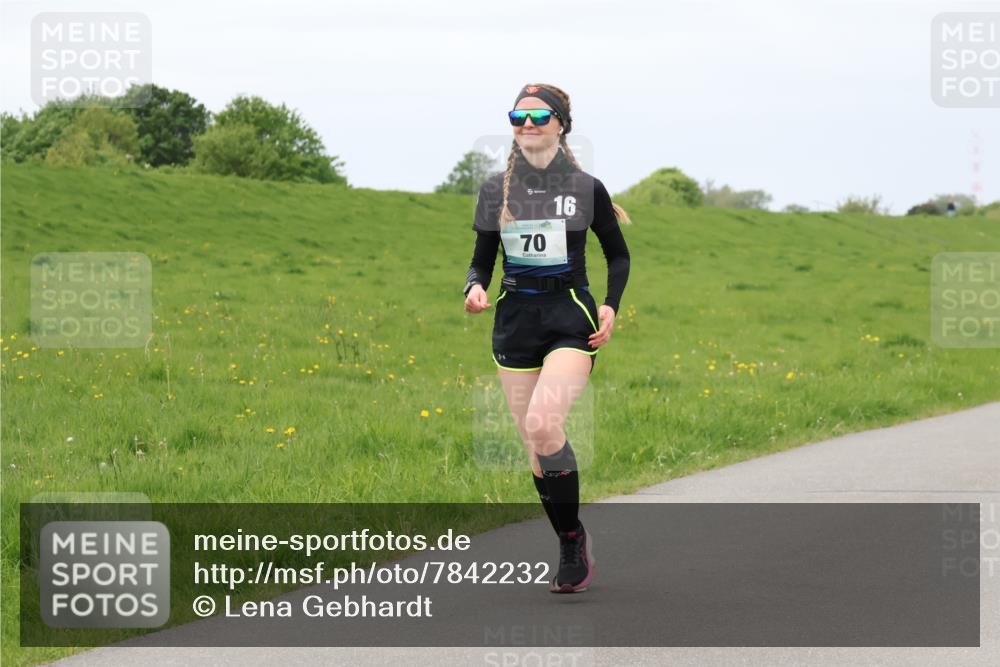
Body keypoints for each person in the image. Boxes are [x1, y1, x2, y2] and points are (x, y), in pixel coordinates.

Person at [462, 83, 631, 593]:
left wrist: (609, 305)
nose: (527, 124)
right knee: (537, 446)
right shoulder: (496, 190)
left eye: (538, 116)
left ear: (561, 124)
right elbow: (481, 259)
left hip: (569, 319)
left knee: (542, 422)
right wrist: (473, 286)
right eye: (518, 116)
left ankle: (570, 536)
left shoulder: (586, 189)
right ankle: (569, 538)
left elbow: (618, 254)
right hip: (515, 323)